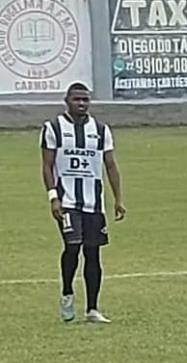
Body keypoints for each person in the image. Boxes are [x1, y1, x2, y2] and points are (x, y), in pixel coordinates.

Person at [40, 82, 125, 323]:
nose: (81, 104)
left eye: (85, 100)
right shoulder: (54, 127)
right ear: (67, 100)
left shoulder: (100, 130)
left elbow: (110, 165)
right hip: (67, 201)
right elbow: (47, 165)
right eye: (77, 99)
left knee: (93, 253)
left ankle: (92, 309)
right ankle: (67, 292)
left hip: (93, 204)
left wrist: (118, 199)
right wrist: (53, 197)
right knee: (72, 246)